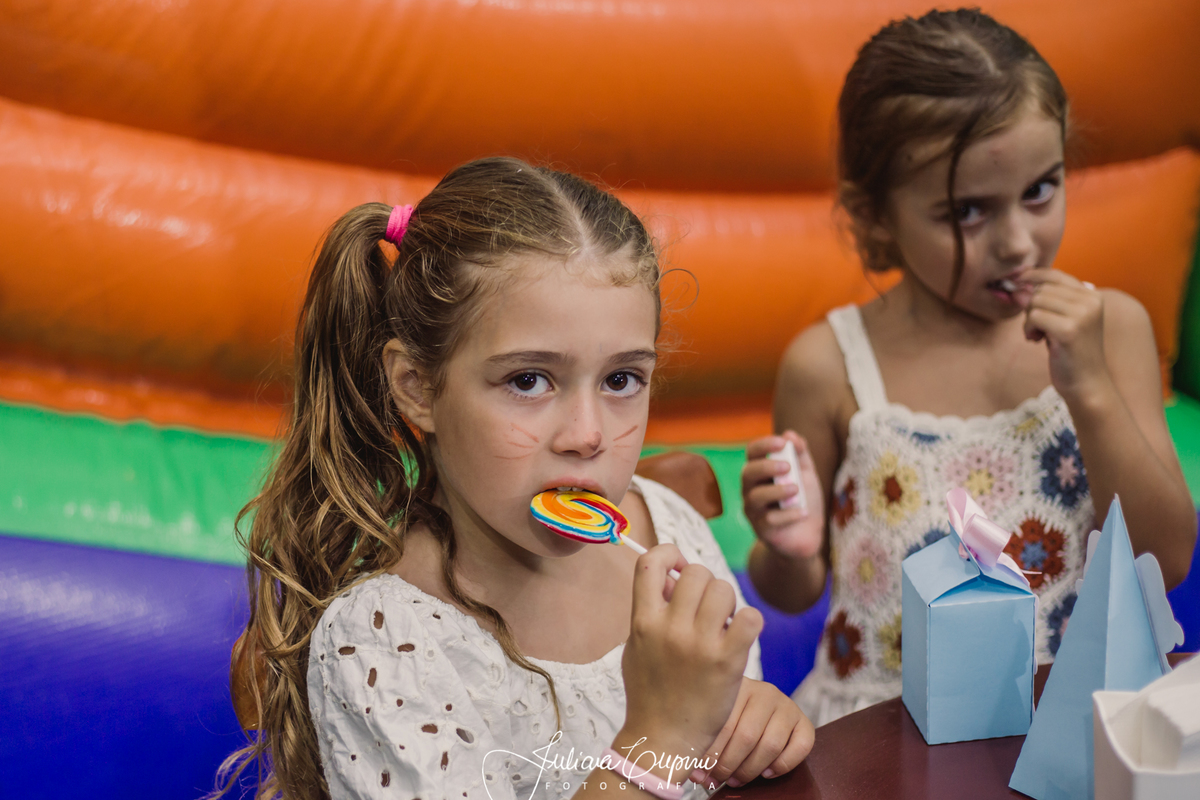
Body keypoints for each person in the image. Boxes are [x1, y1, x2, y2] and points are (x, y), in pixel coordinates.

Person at [219, 157, 814, 800]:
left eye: (621, 380)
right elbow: (669, 742)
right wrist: (659, 739)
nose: (587, 434)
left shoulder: (670, 528)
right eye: (528, 380)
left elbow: (734, 746)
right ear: (417, 387)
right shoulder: (385, 640)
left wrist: (762, 731)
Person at [741, 9, 1197, 727]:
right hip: (878, 729)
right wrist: (785, 547)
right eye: (968, 212)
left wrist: (1091, 390)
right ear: (876, 215)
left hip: (1068, 720)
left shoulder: (1112, 332)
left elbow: (1164, 561)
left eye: (1041, 190)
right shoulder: (828, 365)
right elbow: (794, 591)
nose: (1018, 242)